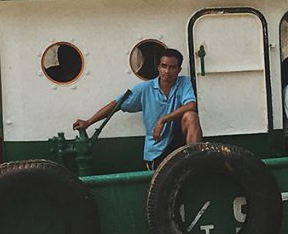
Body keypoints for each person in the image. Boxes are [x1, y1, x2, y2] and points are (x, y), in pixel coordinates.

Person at [73, 48, 203, 169]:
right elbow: (116, 104)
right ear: (158, 67)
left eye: (172, 67)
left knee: (191, 116)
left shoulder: (183, 83)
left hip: (178, 143)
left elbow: (191, 105)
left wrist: (162, 120)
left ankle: (196, 164)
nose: (167, 71)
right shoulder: (145, 89)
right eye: (163, 66)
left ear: (179, 70)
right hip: (157, 150)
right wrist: (88, 122)